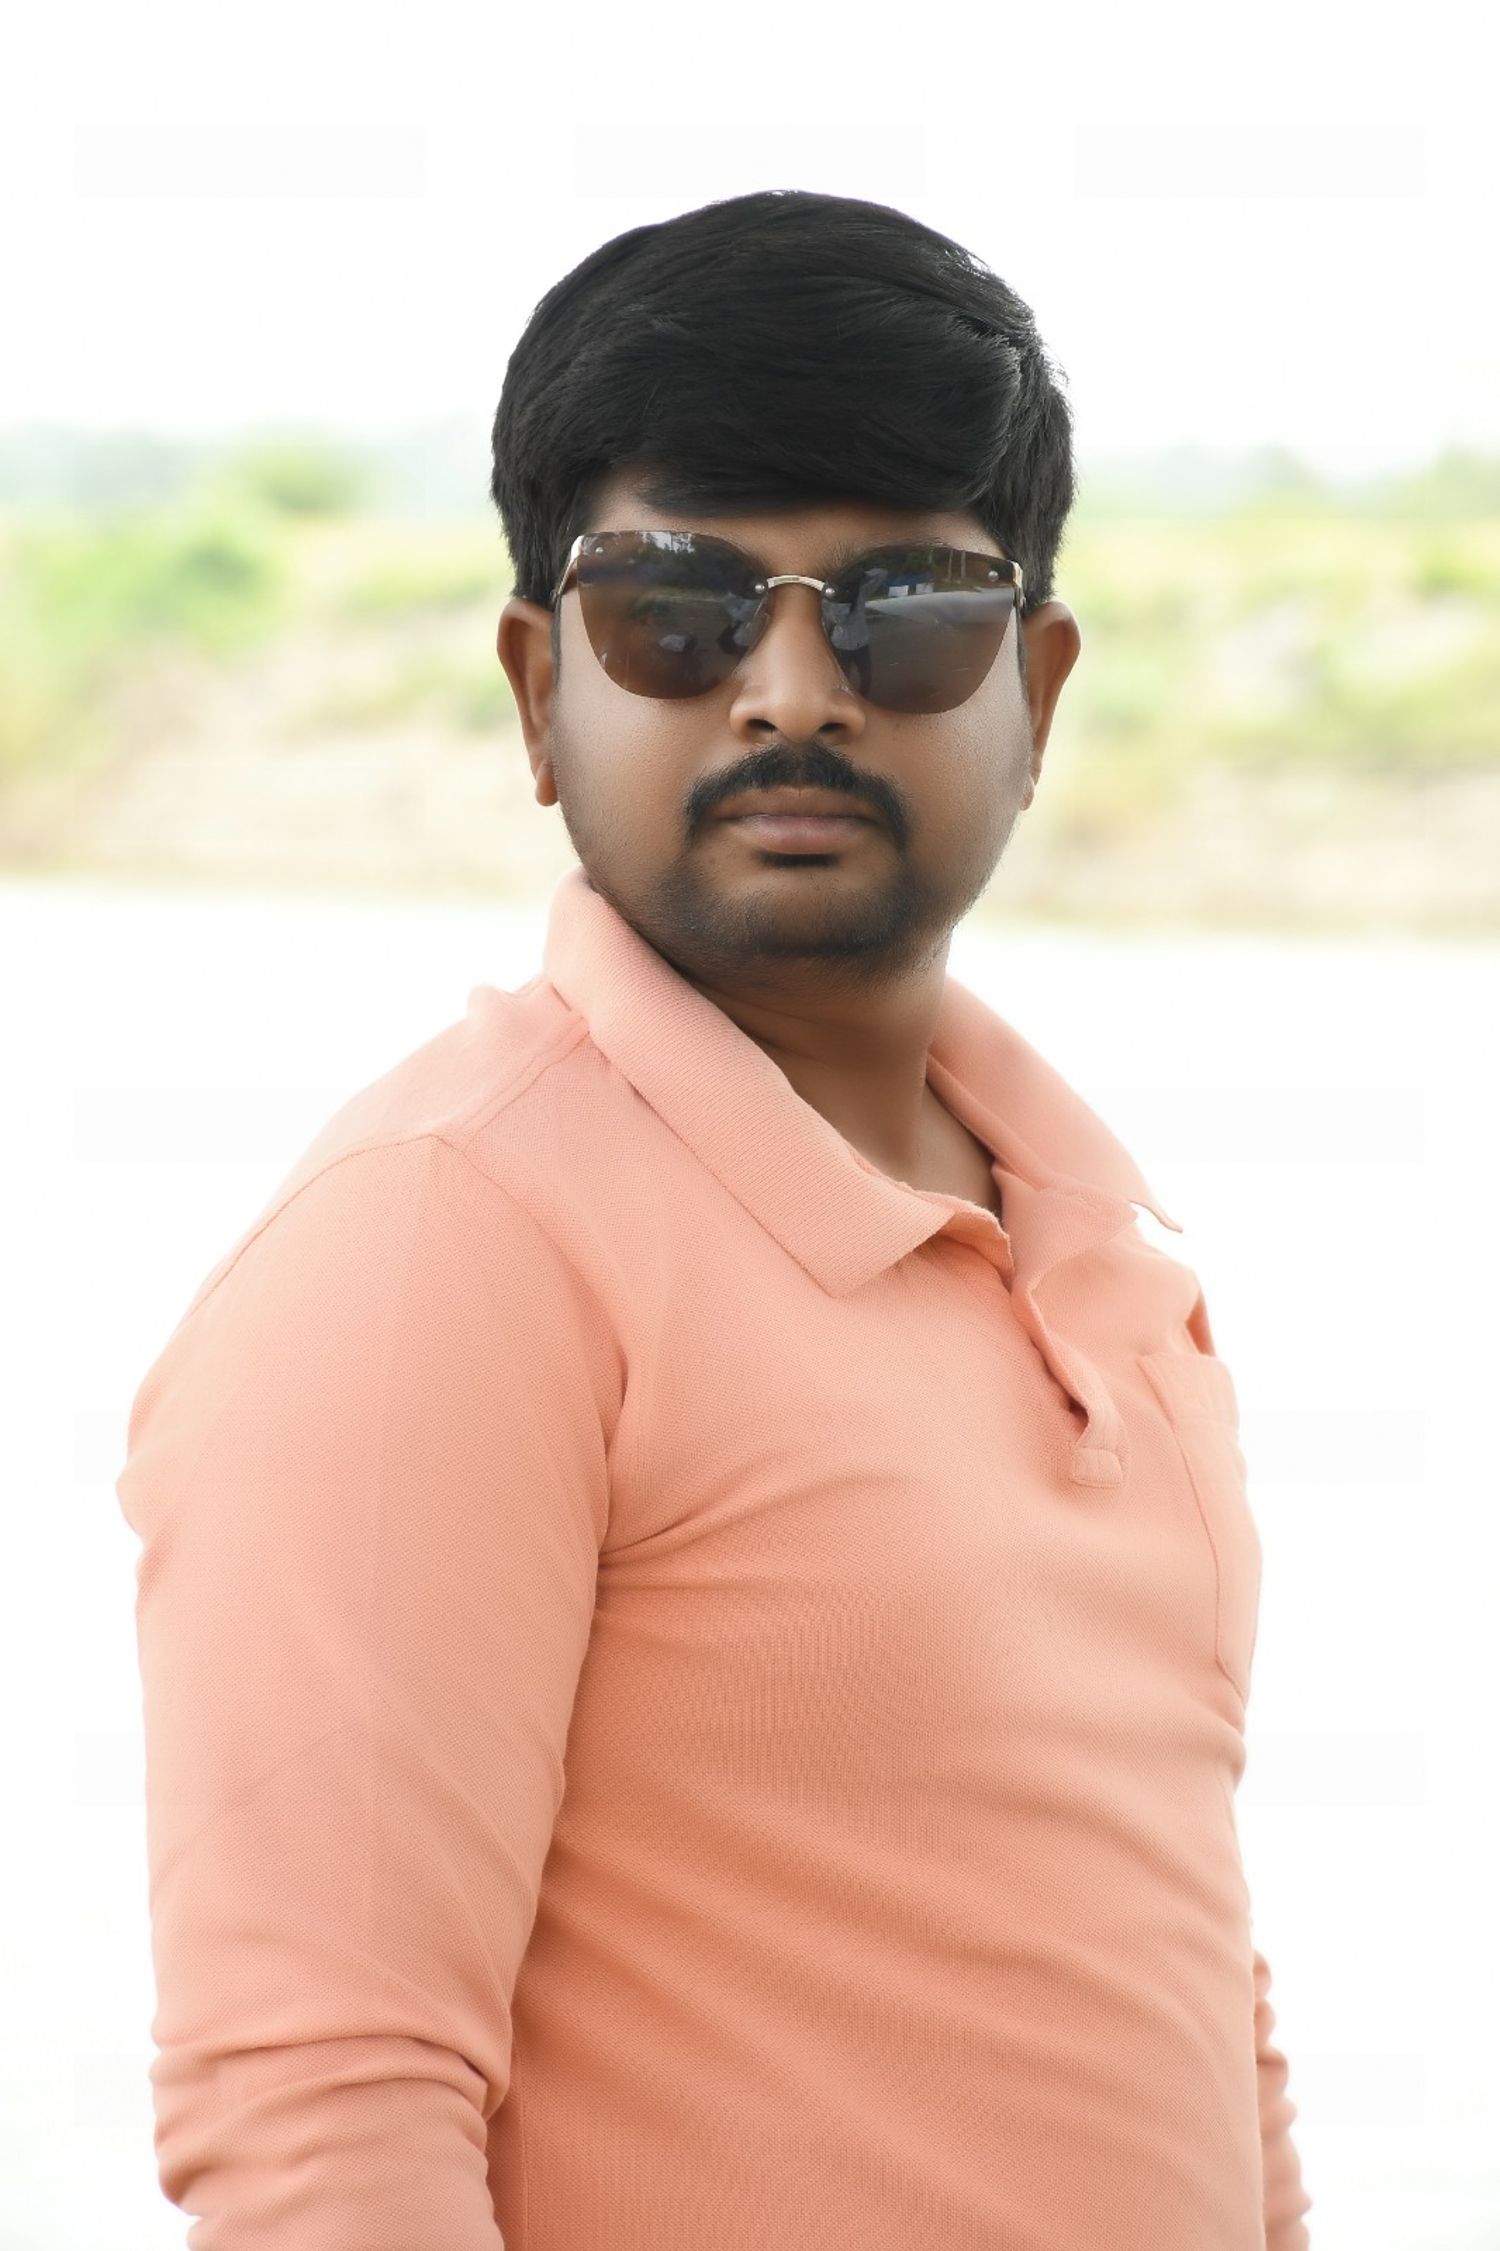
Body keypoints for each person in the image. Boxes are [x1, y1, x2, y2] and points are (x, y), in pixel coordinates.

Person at [115, 187, 1313, 2249]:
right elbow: (323, 2118)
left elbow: (1188, 1995)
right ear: (535, 690)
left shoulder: (1100, 1247)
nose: (790, 692)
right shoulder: (447, 1245)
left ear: (1036, 693)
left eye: (904, 608)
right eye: (677, 607)